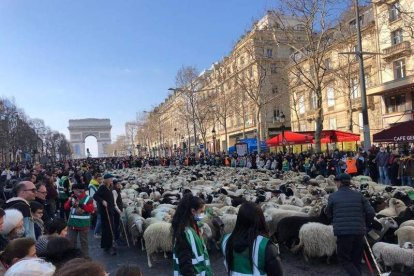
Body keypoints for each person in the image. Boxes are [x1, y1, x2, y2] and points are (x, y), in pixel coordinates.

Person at [326, 173, 375, 276]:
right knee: (356, 260)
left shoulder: (333, 196)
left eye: (336, 182)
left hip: (343, 233)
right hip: (359, 232)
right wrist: (365, 224)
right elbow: (371, 212)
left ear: (339, 183)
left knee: (344, 260)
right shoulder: (359, 195)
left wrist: (335, 221)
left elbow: (328, 213)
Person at [222, 202, 283, 276]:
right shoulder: (264, 245)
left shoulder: (226, 240)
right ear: (260, 219)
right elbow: (276, 272)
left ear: (239, 218)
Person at [171, 193, 212, 276]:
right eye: (201, 212)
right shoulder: (184, 233)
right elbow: (185, 263)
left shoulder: (194, 226)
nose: (202, 215)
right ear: (193, 211)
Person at [64, 183, 93, 257]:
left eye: (74, 190)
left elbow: (91, 209)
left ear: (79, 190)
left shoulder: (88, 198)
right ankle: (72, 257)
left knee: (84, 242)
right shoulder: (72, 197)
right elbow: (66, 207)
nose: (73, 192)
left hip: (83, 224)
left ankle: (85, 258)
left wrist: (80, 205)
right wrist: (70, 202)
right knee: (71, 242)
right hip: (72, 224)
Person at [93, 173, 116, 255]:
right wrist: (102, 201)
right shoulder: (102, 187)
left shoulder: (109, 187)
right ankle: (108, 246)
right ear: (106, 179)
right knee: (107, 229)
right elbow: (95, 196)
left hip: (110, 210)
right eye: (110, 178)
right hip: (105, 212)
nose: (111, 180)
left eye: (111, 178)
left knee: (110, 229)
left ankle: (107, 246)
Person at [88, 173, 102, 238]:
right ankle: (96, 232)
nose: (101, 180)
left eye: (101, 179)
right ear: (96, 179)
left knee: (97, 217)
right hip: (96, 204)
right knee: (99, 218)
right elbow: (92, 196)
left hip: (97, 204)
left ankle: (94, 228)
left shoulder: (96, 185)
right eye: (99, 179)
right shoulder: (92, 186)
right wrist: (95, 206)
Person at [112, 179, 124, 245]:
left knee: (117, 224)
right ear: (114, 184)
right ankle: (116, 239)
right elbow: (114, 203)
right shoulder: (114, 191)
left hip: (118, 210)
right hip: (116, 211)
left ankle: (117, 237)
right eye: (117, 184)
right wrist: (119, 211)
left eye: (119, 183)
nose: (119, 185)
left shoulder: (117, 190)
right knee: (116, 225)